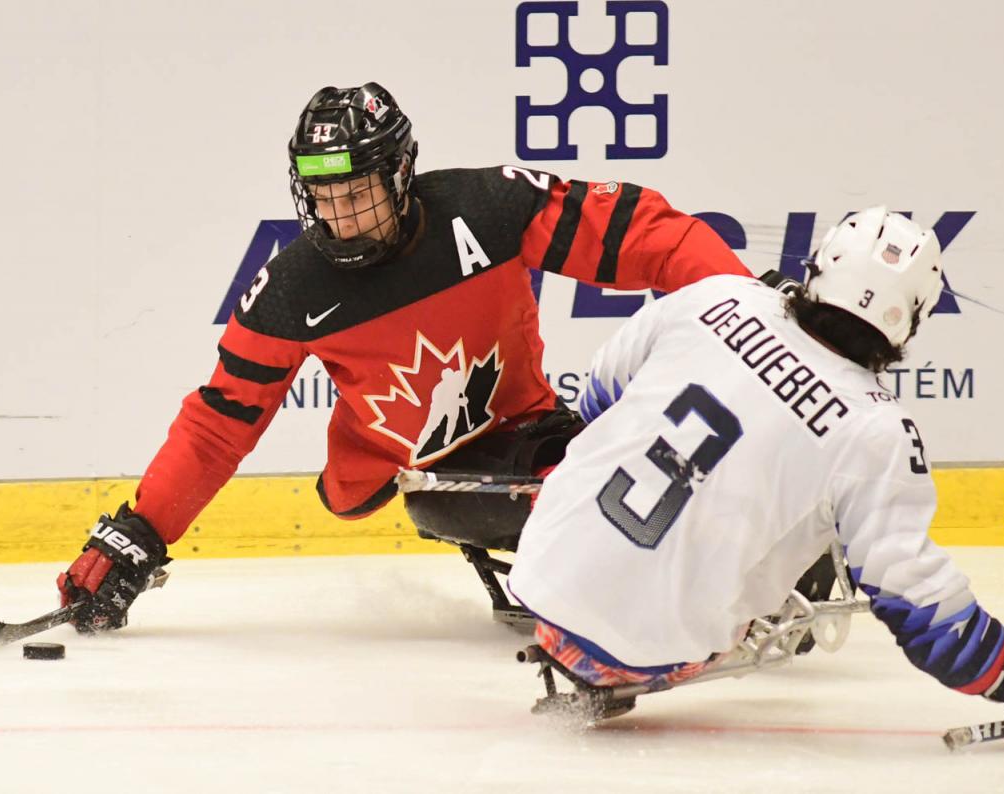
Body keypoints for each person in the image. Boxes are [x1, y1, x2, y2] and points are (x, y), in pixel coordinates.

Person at [54, 82, 753, 632]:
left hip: (535, 438)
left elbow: (641, 234)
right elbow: (219, 423)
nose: (342, 217)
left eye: (357, 192)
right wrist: (137, 534)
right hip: (437, 482)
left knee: (661, 406)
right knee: (615, 488)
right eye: (324, 196)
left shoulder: (489, 207)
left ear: (400, 173)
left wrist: (748, 306)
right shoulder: (289, 289)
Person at [506, 207, 1004, 749]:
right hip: (642, 655)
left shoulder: (715, 297)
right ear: (910, 318)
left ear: (820, 268)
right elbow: (914, 600)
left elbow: (597, 400)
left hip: (538, 571)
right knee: (810, 539)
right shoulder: (876, 429)